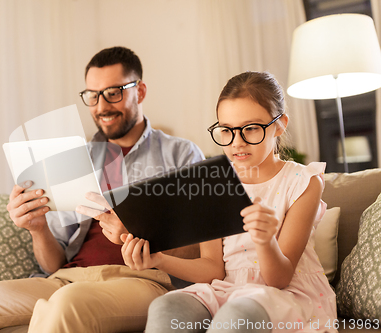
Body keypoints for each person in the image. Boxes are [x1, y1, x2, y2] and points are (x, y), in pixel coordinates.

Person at [0, 46, 204, 333]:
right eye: (92, 96)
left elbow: (201, 248)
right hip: (64, 279)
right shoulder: (73, 160)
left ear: (140, 91)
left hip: (141, 280)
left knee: (66, 305)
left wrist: (134, 232)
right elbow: (53, 263)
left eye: (113, 93)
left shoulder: (180, 155)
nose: (101, 107)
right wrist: (37, 228)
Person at [121, 71, 337, 333]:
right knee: (166, 308)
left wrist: (265, 240)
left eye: (251, 129)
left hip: (284, 294)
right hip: (228, 290)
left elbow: (279, 279)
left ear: (279, 125)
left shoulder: (303, 181)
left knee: (237, 315)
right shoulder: (215, 181)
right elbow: (213, 269)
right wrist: (158, 259)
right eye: (226, 130)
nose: (237, 142)